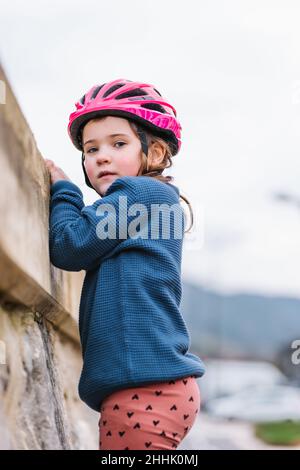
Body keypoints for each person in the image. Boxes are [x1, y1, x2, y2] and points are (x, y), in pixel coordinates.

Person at [45, 78, 205, 450]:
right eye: (91, 148)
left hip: (144, 389)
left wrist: (64, 191)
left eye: (119, 144)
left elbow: (69, 246)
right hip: (154, 388)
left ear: (155, 151)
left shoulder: (143, 193)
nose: (101, 156)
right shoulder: (154, 203)